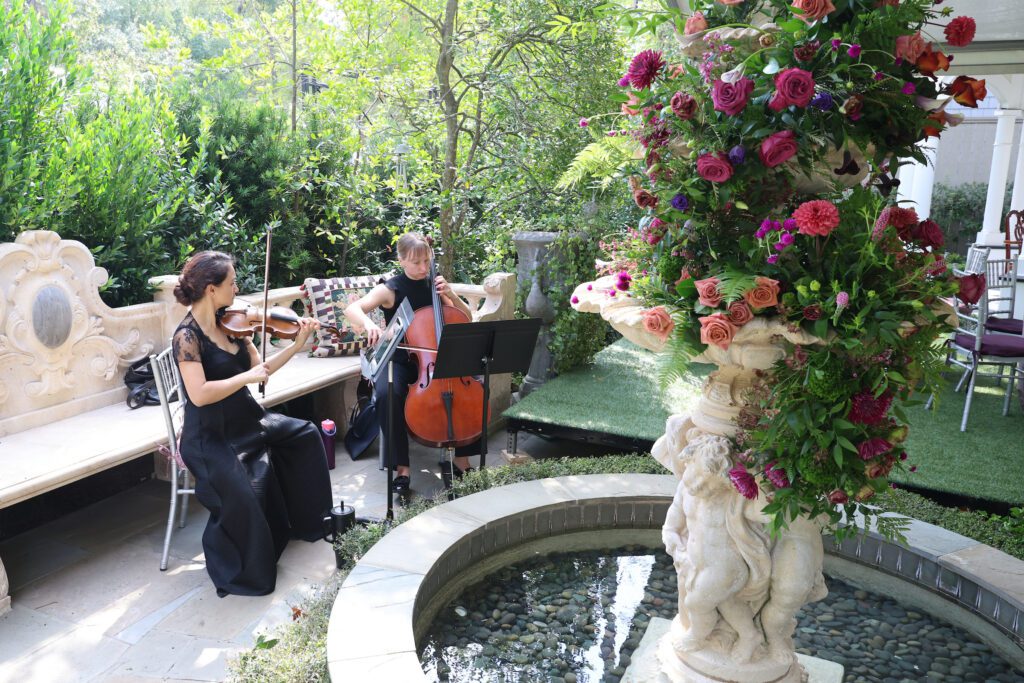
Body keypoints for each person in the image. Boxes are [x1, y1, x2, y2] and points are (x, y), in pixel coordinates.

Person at [172, 251, 332, 597]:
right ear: (211, 289)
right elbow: (198, 395)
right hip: (210, 437)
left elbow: (263, 370)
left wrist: (298, 343)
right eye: (231, 283)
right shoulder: (187, 337)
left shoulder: (234, 324)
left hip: (248, 420)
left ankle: (308, 522)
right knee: (246, 488)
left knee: (305, 434)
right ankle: (244, 570)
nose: (237, 288)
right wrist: (245, 375)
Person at [343, 232, 476, 495]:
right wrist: (369, 323)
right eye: (416, 262)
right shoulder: (390, 289)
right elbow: (353, 309)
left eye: (426, 261)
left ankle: (462, 460)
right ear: (402, 260)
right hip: (400, 358)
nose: (423, 268)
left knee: (470, 389)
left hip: (435, 357)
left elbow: (466, 318)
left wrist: (452, 295)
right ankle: (402, 467)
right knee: (386, 395)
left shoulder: (435, 286)